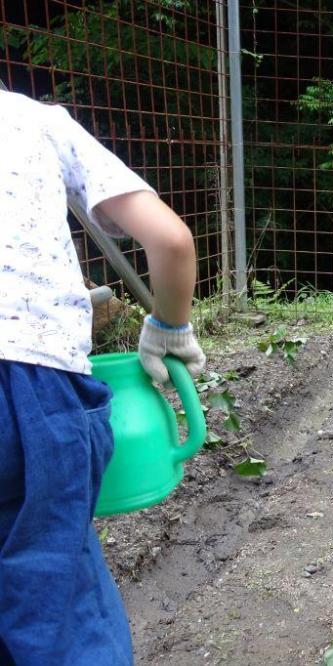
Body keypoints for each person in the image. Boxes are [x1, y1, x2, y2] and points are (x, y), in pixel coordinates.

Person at [0, 90, 206, 664]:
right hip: (27, 388)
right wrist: (168, 327)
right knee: (54, 604)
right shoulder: (34, 121)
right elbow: (171, 239)